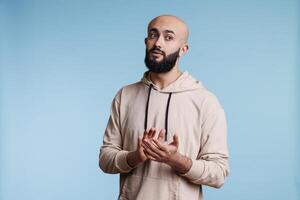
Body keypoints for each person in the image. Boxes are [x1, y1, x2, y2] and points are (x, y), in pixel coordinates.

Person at [99, 14, 230, 200]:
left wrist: (175, 159)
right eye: (153, 35)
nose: (158, 43)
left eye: (168, 37)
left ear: (183, 49)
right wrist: (135, 156)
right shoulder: (125, 95)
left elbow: (218, 174)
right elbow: (105, 159)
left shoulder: (206, 101)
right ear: (146, 41)